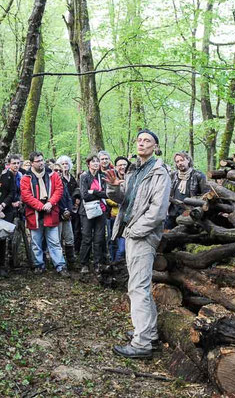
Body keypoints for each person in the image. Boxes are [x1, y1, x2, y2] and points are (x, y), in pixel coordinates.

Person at [106, 129, 170, 359]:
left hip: (142, 236)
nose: (141, 143)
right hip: (130, 234)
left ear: (155, 146)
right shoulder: (135, 170)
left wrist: (134, 231)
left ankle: (142, 344)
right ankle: (149, 333)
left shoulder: (159, 173)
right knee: (139, 286)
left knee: (138, 288)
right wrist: (115, 186)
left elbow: (158, 212)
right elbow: (124, 200)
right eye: (139, 139)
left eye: (147, 141)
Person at [20, 151, 68, 276]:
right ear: (31, 163)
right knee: (36, 241)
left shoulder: (53, 175)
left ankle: (60, 266)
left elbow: (59, 189)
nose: (41, 163)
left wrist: (50, 203)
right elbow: (26, 196)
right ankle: (38, 265)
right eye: (38, 161)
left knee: (54, 241)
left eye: (42, 160)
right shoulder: (26, 177)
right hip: (34, 213)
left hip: (51, 211)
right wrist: (41, 206)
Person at [0, 153, 22, 277]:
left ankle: (1, 265)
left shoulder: (8, 175)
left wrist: (3, 205)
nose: (15, 165)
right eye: (13, 163)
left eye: (17, 163)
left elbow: (12, 192)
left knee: (2, 238)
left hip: (6, 210)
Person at [78, 154, 108, 274]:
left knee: (99, 238)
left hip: (101, 210)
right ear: (88, 164)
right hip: (87, 211)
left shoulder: (103, 176)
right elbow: (84, 195)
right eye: (93, 161)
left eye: (97, 161)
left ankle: (97, 263)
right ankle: (84, 264)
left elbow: (107, 194)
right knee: (86, 237)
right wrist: (98, 193)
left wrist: (94, 191)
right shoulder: (84, 177)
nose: (96, 163)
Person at [167, 151, 209, 229]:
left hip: (190, 213)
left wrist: (194, 210)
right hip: (173, 212)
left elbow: (206, 195)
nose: (180, 163)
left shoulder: (198, 175)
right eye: (177, 161)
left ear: (188, 160)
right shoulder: (173, 176)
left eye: (182, 160)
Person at [56, 155, 80, 265]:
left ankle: (71, 261)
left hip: (70, 210)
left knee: (70, 236)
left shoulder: (70, 179)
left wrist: (70, 209)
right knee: (58, 238)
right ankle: (59, 261)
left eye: (66, 164)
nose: (65, 166)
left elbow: (70, 196)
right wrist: (63, 211)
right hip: (58, 213)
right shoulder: (54, 182)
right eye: (63, 164)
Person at [107, 156, 130, 262]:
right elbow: (107, 197)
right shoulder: (112, 178)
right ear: (116, 167)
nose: (122, 167)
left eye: (124, 164)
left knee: (122, 248)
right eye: (120, 165)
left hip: (128, 219)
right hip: (115, 216)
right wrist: (118, 201)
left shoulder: (132, 179)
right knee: (113, 243)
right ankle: (114, 266)